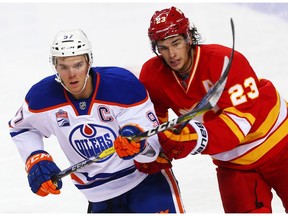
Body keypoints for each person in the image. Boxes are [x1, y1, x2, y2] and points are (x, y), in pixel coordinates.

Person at [8, 29, 185, 213]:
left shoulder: (122, 85)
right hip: (99, 197)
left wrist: (139, 145)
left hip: (147, 183)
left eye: (78, 65)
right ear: (54, 66)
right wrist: (35, 158)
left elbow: (153, 150)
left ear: (89, 61)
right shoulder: (42, 97)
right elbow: (22, 128)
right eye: (63, 67)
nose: (72, 74)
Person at [139, 6, 288, 213]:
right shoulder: (153, 75)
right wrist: (143, 148)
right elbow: (153, 124)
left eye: (176, 43)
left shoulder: (225, 60)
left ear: (188, 38)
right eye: (163, 47)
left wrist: (191, 138)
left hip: (280, 144)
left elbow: (239, 125)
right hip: (233, 164)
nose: (171, 54)